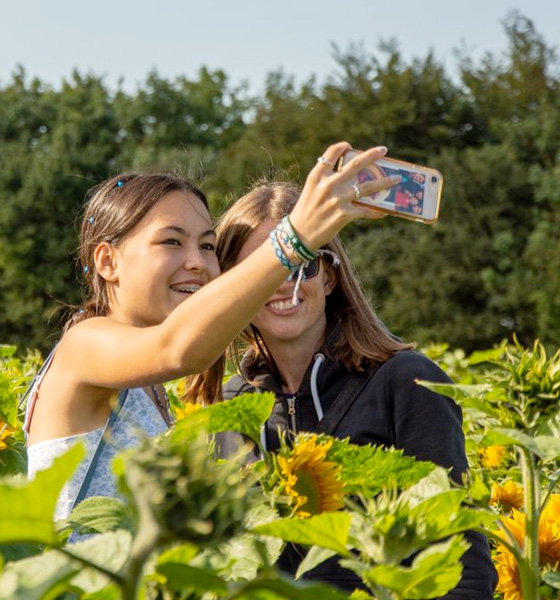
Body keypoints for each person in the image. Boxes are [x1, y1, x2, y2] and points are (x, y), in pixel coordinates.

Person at [24, 143, 397, 520]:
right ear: (107, 261)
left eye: (207, 245)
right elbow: (178, 348)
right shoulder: (83, 345)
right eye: (171, 241)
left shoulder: (143, 383)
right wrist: (293, 239)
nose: (198, 263)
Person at [194, 181, 497, 598]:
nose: (283, 283)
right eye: (262, 268)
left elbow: (462, 565)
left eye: (303, 265)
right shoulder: (228, 406)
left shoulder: (406, 382)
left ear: (332, 276)